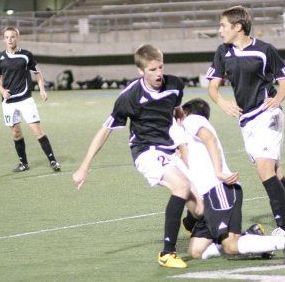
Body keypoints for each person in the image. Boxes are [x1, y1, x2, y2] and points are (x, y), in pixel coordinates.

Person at [72, 43, 203, 269]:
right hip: (146, 151)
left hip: (169, 150)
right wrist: (84, 167)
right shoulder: (130, 96)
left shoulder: (175, 85)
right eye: (152, 70)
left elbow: (175, 108)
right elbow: (105, 130)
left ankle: (191, 223)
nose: (159, 73)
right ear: (140, 71)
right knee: (181, 186)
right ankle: (167, 253)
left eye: (160, 67)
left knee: (201, 209)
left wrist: (182, 122)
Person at [206, 5, 285, 240]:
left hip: (267, 115)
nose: (219, 30)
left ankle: (284, 230)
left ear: (238, 27)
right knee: (276, 177)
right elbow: (213, 86)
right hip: (247, 120)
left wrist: (277, 100)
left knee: (264, 171)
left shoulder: (265, 50)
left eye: (223, 25)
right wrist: (222, 102)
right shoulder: (223, 52)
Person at [172, 99, 285, 264]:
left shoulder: (191, 120)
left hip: (219, 189)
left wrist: (218, 171)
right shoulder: (185, 139)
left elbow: (210, 139)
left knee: (230, 246)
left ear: (185, 113)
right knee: (195, 250)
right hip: (210, 197)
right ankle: (253, 240)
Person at [0, 26, 61, 173]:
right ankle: (23, 163)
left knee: (37, 131)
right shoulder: (0, 58)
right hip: (8, 101)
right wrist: (2, 91)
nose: (10, 40)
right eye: (7, 37)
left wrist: (42, 89)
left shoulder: (26, 55)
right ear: (3, 39)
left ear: (18, 38)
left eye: (13, 37)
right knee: (16, 133)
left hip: (25, 99)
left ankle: (53, 161)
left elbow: (37, 73)